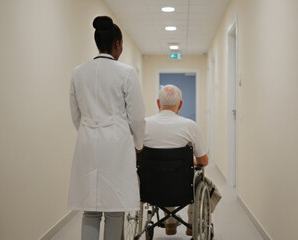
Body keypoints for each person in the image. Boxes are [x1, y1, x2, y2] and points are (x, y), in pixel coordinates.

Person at [68, 16, 145, 240]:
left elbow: (75, 114)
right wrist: (138, 143)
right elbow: (137, 116)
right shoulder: (126, 72)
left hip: (87, 143)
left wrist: (88, 133)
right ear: (117, 44)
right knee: (114, 211)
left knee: (90, 210)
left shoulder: (78, 72)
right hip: (116, 146)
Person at [144, 84, 209, 236]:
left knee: (162, 175)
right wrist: (189, 161)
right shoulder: (190, 126)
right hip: (182, 188)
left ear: (158, 103)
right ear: (180, 104)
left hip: (150, 188)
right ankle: (192, 222)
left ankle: (170, 222)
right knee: (196, 178)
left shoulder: (144, 124)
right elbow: (204, 161)